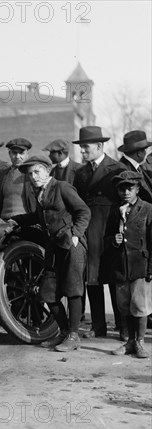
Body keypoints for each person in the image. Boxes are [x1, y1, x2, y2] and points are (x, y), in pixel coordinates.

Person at [8, 155, 90, 352]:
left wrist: (76, 234)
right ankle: (62, 332)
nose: (33, 177)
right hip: (54, 246)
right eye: (30, 174)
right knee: (48, 292)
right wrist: (16, 220)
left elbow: (83, 211)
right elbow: (37, 217)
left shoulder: (62, 187)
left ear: (47, 170)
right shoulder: (40, 193)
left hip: (71, 245)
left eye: (37, 172)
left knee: (73, 289)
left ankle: (73, 335)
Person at [72, 126, 125, 338]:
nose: (82, 152)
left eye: (86, 147)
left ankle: (122, 326)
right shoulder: (81, 173)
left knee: (114, 277)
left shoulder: (116, 169)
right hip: (89, 228)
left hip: (110, 228)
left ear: (100, 146)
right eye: (81, 148)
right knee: (92, 277)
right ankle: (98, 325)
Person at [106, 171, 152, 358]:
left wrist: (151, 268)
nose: (125, 192)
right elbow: (105, 237)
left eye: (129, 188)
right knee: (124, 305)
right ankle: (130, 341)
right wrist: (113, 241)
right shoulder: (114, 210)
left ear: (138, 188)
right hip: (120, 266)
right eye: (121, 188)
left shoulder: (148, 209)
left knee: (139, 305)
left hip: (140, 265)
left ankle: (140, 342)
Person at [0, 138, 32, 220]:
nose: (17, 156)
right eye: (14, 153)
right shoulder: (2, 175)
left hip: (27, 223)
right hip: (4, 222)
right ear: (9, 154)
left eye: (21, 153)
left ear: (27, 154)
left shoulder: (33, 174)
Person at [116, 130, 152, 203]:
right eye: (145, 150)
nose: (146, 153)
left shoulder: (137, 167)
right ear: (139, 153)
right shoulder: (124, 170)